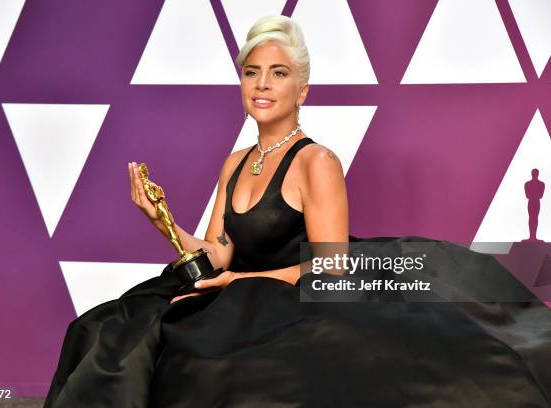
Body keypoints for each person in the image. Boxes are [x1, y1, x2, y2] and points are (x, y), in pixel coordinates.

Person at [44, 15, 551, 407]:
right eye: (252, 72)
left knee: (219, 370)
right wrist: (165, 225)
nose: (262, 84)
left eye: (278, 73)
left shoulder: (316, 162)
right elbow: (219, 253)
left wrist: (242, 284)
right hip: (241, 292)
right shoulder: (236, 162)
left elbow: (332, 268)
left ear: (301, 90)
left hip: (300, 295)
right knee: (105, 329)